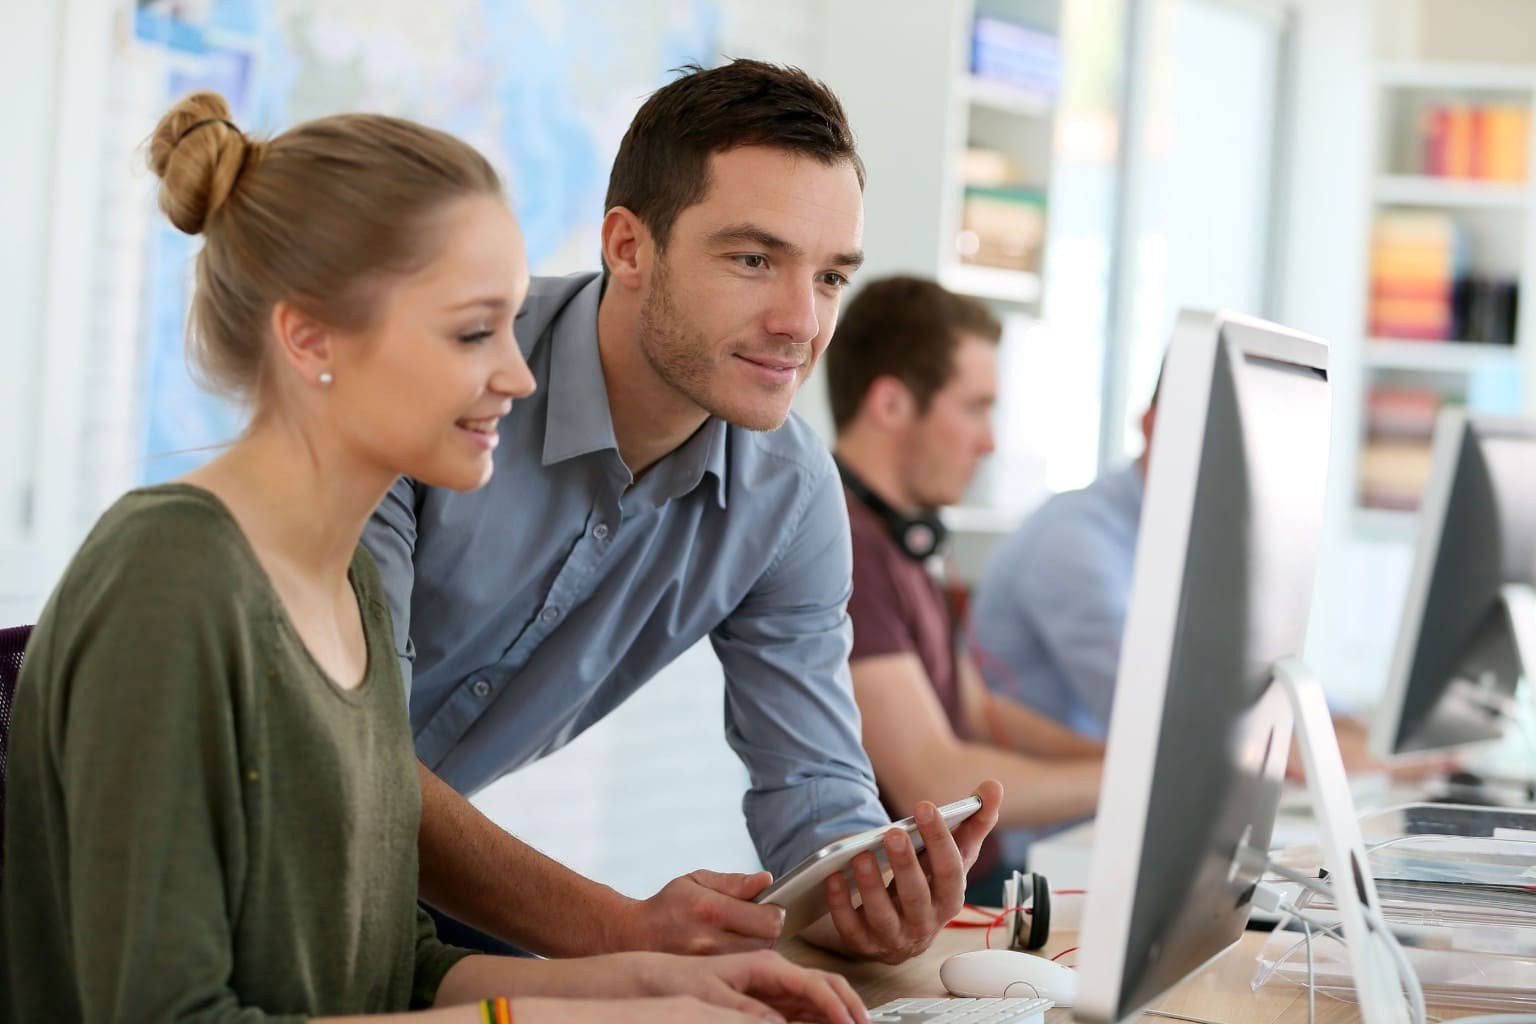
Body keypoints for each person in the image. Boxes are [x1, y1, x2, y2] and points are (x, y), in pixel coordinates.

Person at [0, 91, 868, 1024]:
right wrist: (560, 1003)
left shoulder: (351, 602)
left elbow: (386, 959)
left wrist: (658, 985)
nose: (523, 373)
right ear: (311, 338)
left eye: (508, 325)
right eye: (471, 332)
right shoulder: (169, 576)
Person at [363, 60, 1002, 965]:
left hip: (388, 877)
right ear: (628, 247)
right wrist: (618, 931)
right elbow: (348, 752)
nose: (800, 322)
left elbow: (813, 785)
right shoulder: (446, 378)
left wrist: (866, 887)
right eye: (753, 259)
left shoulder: (788, 496)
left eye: (829, 278)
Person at [969, 371, 1449, 778]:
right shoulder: (1074, 542)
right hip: (1045, 841)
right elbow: (1168, 723)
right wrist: (1360, 762)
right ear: (1151, 425)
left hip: (1132, 809)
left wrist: (1367, 733)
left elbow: (1248, 677)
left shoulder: (1188, 534)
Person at [824, 276, 1105, 899]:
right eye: (975, 407)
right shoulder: (843, 548)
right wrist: (1130, 782)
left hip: (981, 884)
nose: (990, 440)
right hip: (927, 909)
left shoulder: (904, 537)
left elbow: (976, 710)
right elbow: (935, 777)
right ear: (891, 404)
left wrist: (1109, 756)